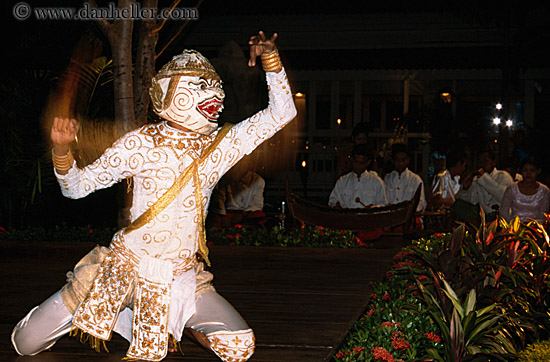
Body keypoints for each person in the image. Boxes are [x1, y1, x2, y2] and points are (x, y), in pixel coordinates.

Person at [11, 31, 297, 362]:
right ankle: (140, 320)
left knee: (240, 348)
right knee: (25, 343)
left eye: (214, 86)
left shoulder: (221, 146)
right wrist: (62, 150)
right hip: (122, 271)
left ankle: (176, 322)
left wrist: (271, 60)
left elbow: (281, 113)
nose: (215, 94)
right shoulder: (140, 143)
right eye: (201, 86)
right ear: (169, 94)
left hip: (180, 277)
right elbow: (75, 187)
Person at [455, 148, 514, 221]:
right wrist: (465, 188)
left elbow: (505, 197)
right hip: (486, 219)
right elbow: (473, 200)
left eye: (486, 161)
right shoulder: (477, 179)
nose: (482, 164)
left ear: (493, 162)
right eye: (479, 161)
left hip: (504, 217)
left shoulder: (503, 175)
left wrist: (484, 178)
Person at [329, 143, 387, 209]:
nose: (358, 166)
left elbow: (383, 204)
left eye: (362, 163)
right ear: (352, 160)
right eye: (356, 162)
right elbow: (332, 201)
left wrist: (373, 208)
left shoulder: (377, 182)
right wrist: (336, 205)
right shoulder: (342, 181)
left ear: (368, 162)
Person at [499, 155, 550, 223]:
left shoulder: (544, 191)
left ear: (538, 171)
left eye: (532, 170)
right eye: (525, 170)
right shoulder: (512, 188)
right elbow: (503, 211)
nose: (528, 174)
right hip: (514, 229)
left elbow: (543, 215)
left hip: (536, 229)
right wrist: (514, 226)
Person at [383, 143, 427, 212]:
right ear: (393, 161)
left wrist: (409, 211)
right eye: (398, 160)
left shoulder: (415, 179)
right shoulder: (387, 179)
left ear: (408, 160)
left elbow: (421, 203)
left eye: (403, 160)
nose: (401, 163)